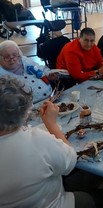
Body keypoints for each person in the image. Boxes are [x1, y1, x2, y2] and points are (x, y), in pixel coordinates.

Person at [0, 76, 95, 208]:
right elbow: (70, 161)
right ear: (24, 112)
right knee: (86, 200)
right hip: (50, 204)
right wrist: (52, 124)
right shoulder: (36, 140)